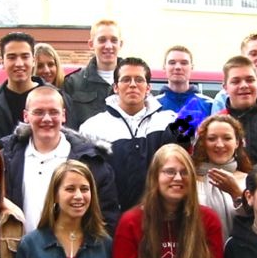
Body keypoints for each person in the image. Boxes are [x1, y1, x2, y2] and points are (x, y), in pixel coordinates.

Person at [0, 85, 119, 233]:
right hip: (17, 246)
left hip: (73, 246)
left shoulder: (91, 162)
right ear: (26, 116)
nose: (47, 119)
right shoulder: (6, 159)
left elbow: (106, 217)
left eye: (53, 112)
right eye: (38, 112)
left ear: (63, 115)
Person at [79, 57, 187, 211]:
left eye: (139, 80)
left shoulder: (170, 121)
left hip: (161, 214)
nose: (133, 85)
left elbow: (188, 162)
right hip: (111, 216)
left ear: (148, 88)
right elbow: (87, 178)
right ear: (115, 87)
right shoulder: (92, 127)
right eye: (126, 79)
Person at [0, 32, 42, 143]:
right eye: (12, 57)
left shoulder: (55, 98)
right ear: (2, 62)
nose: (19, 63)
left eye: (25, 57)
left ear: (33, 60)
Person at [193, 114, 252, 239]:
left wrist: (236, 193)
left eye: (227, 138)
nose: (219, 145)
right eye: (212, 139)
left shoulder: (250, 181)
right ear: (203, 143)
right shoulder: (189, 181)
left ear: (237, 142)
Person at [63, 19, 123, 129]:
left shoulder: (134, 81)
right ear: (91, 44)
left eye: (114, 40)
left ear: (121, 44)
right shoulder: (73, 83)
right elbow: (68, 128)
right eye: (102, 40)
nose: (108, 46)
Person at [156, 45, 212, 118]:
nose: (178, 67)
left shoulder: (209, 105)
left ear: (192, 67)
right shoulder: (152, 105)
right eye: (172, 63)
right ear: (164, 67)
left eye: (184, 63)